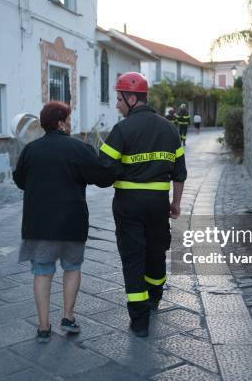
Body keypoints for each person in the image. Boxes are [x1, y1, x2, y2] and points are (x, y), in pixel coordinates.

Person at [14, 101, 114, 343]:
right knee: (72, 267)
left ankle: (43, 326)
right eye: (68, 119)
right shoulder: (79, 148)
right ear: (60, 123)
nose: (71, 123)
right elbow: (102, 177)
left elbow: (20, 180)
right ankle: (68, 317)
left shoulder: (31, 150)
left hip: (39, 225)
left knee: (42, 272)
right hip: (71, 222)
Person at [99, 72, 187, 337]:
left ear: (131, 97)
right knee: (156, 251)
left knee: (133, 258)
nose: (116, 104)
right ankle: (154, 298)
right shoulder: (170, 129)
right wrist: (176, 203)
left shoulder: (122, 130)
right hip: (158, 205)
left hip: (128, 206)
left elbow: (104, 173)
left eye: (118, 99)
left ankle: (139, 322)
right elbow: (180, 172)